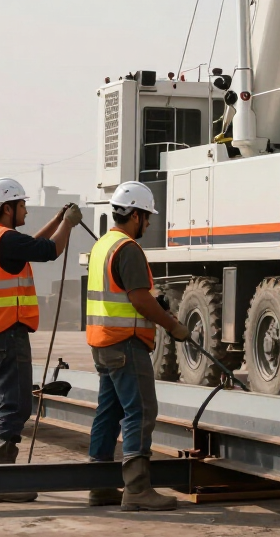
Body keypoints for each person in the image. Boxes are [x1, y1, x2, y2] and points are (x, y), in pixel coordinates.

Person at [0, 177, 81, 503]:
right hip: (8, 333)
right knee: (16, 405)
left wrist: (58, 219)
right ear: (8, 208)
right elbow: (50, 250)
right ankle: (2, 483)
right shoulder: (6, 240)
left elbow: (30, 243)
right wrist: (69, 224)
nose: (26, 210)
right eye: (22, 205)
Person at [85, 181, 189, 510]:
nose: (149, 223)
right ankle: (137, 489)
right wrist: (172, 325)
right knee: (141, 411)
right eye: (147, 217)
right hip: (126, 343)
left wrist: (155, 306)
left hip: (103, 343)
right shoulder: (128, 248)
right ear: (135, 215)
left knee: (109, 412)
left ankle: (99, 486)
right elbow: (139, 299)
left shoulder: (103, 245)